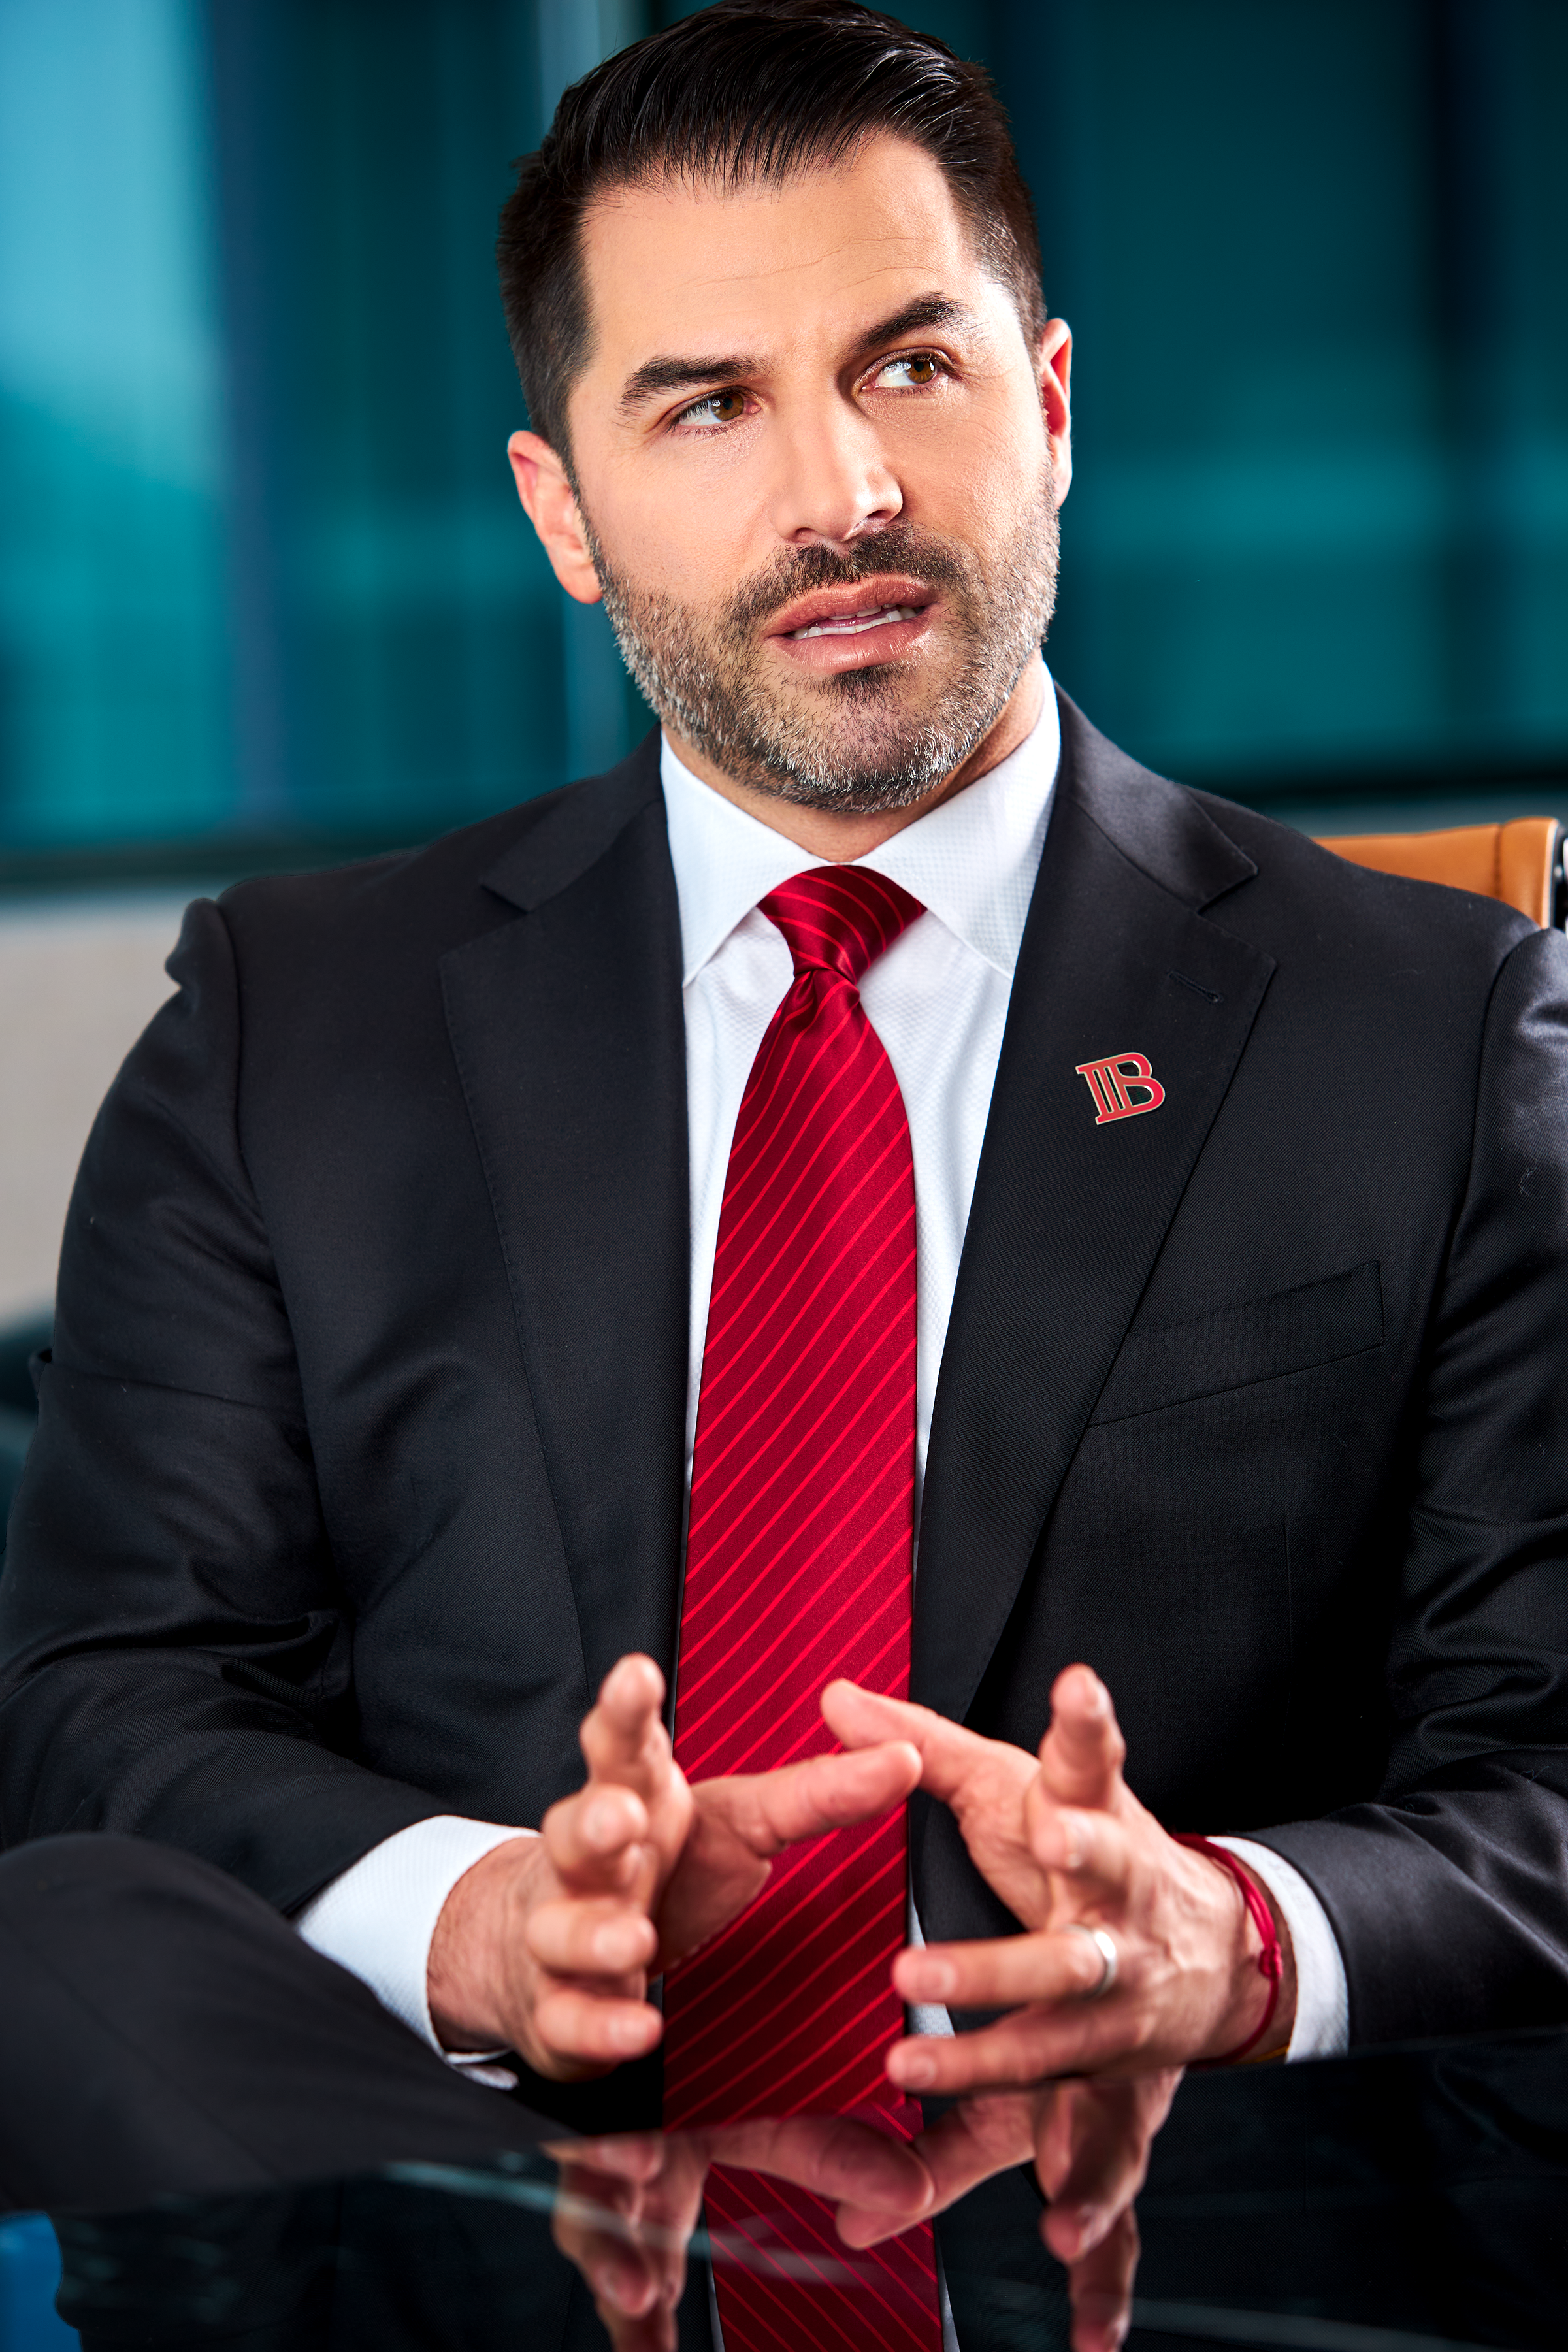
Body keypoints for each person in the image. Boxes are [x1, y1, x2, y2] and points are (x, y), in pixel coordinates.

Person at [3, 3, 1567, 2347]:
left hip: (1198, 2266)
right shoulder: (283, 1034)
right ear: (562, 510)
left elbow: (1544, 1769)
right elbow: (113, 1701)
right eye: (707, 403)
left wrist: (1233, 1941)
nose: (837, 490)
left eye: (908, 366)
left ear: (1049, 402)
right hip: (500, 2256)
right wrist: (474, 1916)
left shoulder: (1436, 1031)